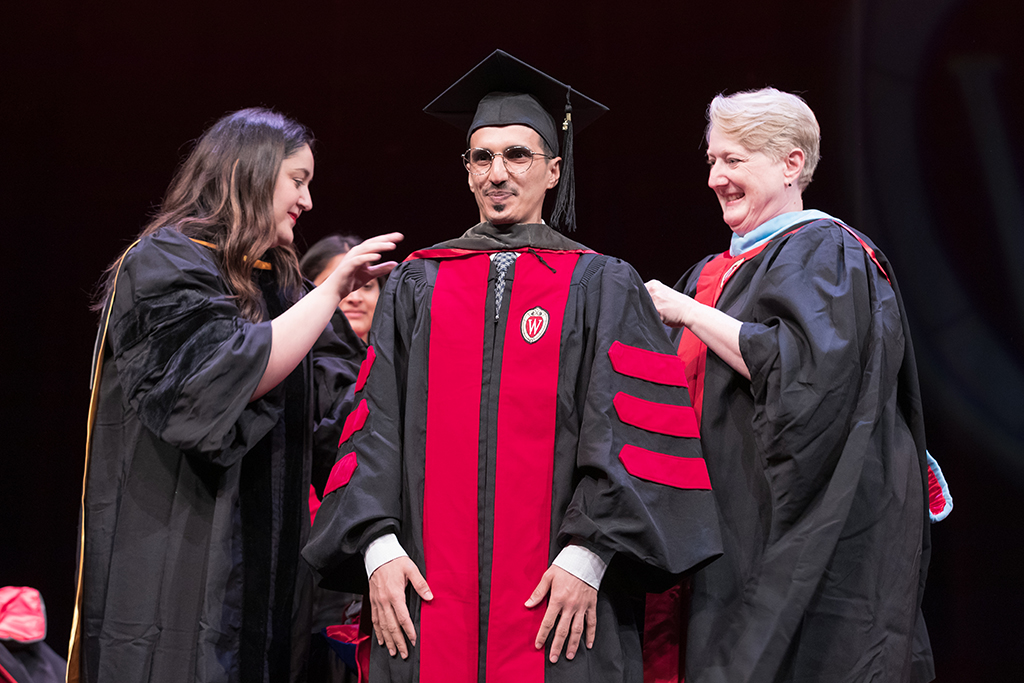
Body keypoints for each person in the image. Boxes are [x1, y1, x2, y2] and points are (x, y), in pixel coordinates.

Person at [302, 50, 722, 683]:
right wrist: (377, 548)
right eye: (482, 157)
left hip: (562, 597)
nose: (498, 173)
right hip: (424, 597)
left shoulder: (602, 283)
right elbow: (372, 422)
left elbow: (630, 432)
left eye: (518, 156)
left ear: (554, 170)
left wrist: (590, 554)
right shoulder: (420, 283)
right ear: (466, 171)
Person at [68, 107, 402, 683]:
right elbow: (220, 378)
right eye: (297, 180)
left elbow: (344, 416)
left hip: (273, 585)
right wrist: (332, 289)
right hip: (181, 564)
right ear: (250, 173)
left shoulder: (282, 285)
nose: (308, 201)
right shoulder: (164, 264)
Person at [645, 88, 936, 682]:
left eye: (733, 160)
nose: (715, 178)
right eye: (711, 161)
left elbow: (808, 379)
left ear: (791, 163)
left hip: (789, 540)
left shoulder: (826, 252)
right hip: (717, 542)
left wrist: (689, 313)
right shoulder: (712, 273)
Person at [301, 235, 384, 343]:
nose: (355, 298)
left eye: (367, 286)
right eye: (339, 286)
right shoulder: (288, 359)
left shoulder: (401, 357)